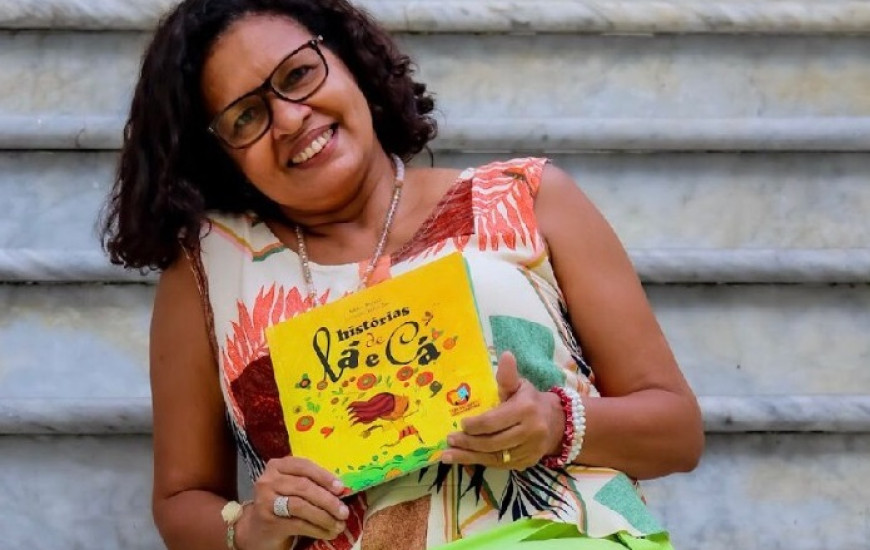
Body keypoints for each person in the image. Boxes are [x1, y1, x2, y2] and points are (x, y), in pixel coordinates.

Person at [101, 0, 704, 549]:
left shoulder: (527, 198)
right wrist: (256, 525)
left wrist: (555, 423)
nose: (288, 118)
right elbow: (181, 500)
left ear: (347, 62)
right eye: (246, 118)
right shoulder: (207, 269)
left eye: (299, 75)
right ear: (221, 155)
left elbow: (677, 432)